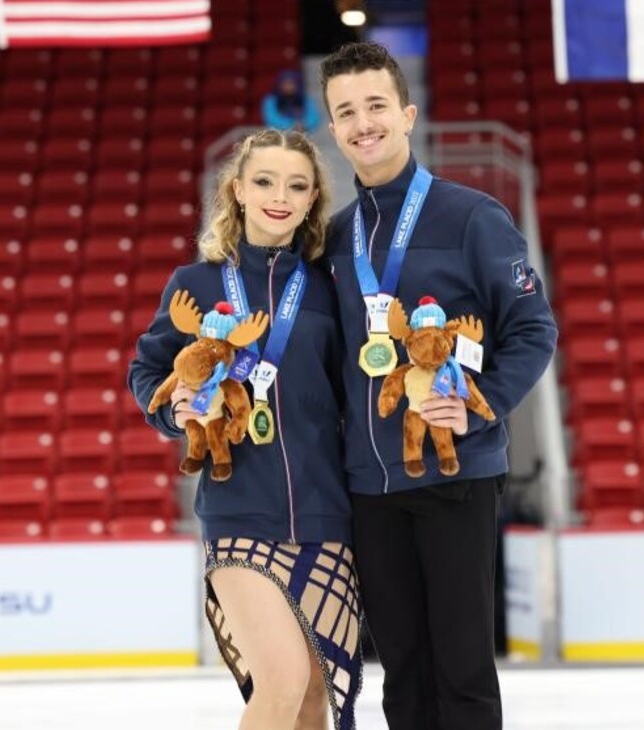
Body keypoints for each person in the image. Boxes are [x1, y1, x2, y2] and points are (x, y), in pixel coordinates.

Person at [318, 42, 558, 729]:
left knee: (463, 670)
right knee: (403, 671)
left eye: (375, 106)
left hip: (457, 473)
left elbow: (532, 329)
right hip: (370, 487)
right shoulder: (334, 240)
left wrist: (479, 414)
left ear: (408, 113)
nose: (363, 123)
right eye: (346, 112)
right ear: (332, 130)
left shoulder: (472, 216)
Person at [128, 128, 361, 730]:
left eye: (296, 186)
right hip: (238, 513)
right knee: (281, 683)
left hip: (327, 514)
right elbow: (148, 369)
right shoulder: (195, 284)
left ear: (312, 201)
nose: (279, 196)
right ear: (237, 190)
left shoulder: (331, 288)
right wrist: (171, 410)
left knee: (316, 697)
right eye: (264, 181)